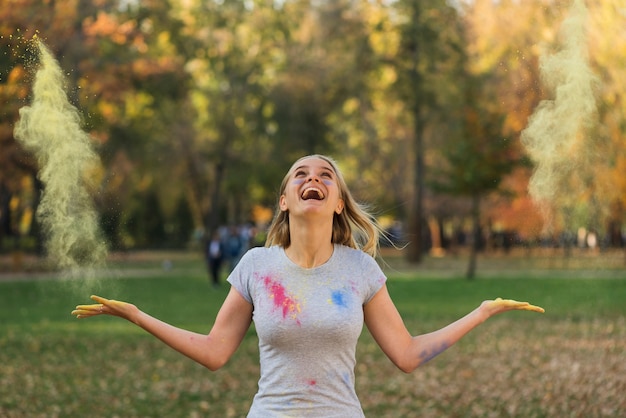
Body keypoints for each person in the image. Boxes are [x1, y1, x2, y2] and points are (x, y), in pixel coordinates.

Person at [72, 154, 544, 417]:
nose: (312, 179)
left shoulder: (360, 271)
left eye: (325, 177)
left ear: (338, 202)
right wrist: (137, 316)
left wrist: (480, 313)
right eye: (301, 174)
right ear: (285, 199)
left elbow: (405, 355)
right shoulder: (256, 265)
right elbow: (215, 352)